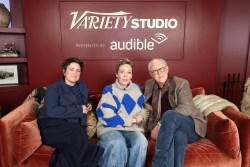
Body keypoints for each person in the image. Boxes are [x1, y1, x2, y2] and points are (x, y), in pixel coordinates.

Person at [38, 57, 104, 167]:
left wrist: (89, 105)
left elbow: (86, 101)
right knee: (78, 133)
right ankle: (95, 157)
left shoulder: (83, 86)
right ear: (64, 71)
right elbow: (51, 111)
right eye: (71, 69)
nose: (75, 73)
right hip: (51, 124)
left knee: (69, 148)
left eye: (78, 70)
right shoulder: (53, 88)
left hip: (73, 125)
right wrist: (79, 109)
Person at [143, 58, 207, 167]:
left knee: (169, 114)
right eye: (155, 71)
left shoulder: (181, 83)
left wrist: (160, 125)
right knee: (178, 136)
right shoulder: (149, 85)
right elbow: (136, 97)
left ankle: (159, 163)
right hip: (172, 130)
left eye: (162, 69)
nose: (159, 73)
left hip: (190, 125)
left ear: (167, 69)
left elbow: (186, 108)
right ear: (151, 74)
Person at [96, 58, 148, 167]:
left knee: (141, 141)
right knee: (118, 142)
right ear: (116, 74)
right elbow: (106, 116)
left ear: (132, 75)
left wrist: (141, 116)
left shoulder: (137, 88)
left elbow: (142, 109)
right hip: (109, 128)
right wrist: (132, 119)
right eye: (122, 72)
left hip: (132, 129)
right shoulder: (109, 89)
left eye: (128, 72)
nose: (125, 75)